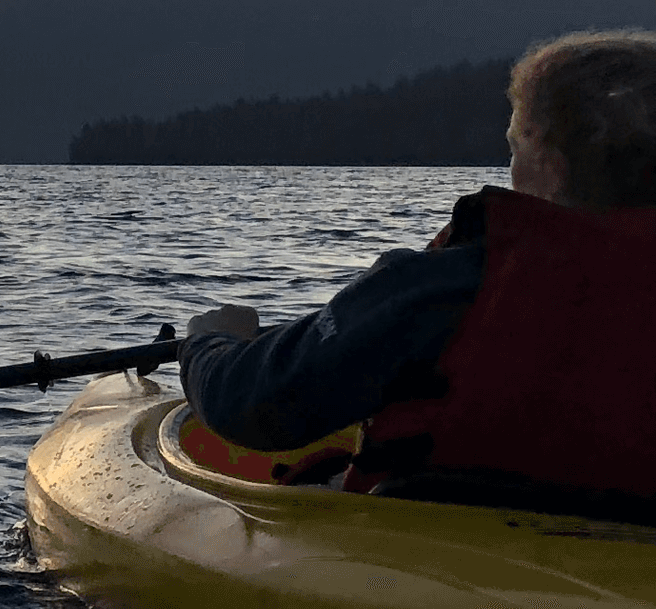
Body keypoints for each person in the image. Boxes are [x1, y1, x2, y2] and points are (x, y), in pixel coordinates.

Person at [180, 28, 656, 514]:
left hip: (446, 561)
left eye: (515, 149)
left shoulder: (448, 285)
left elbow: (253, 406)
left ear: (549, 161)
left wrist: (209, 343)